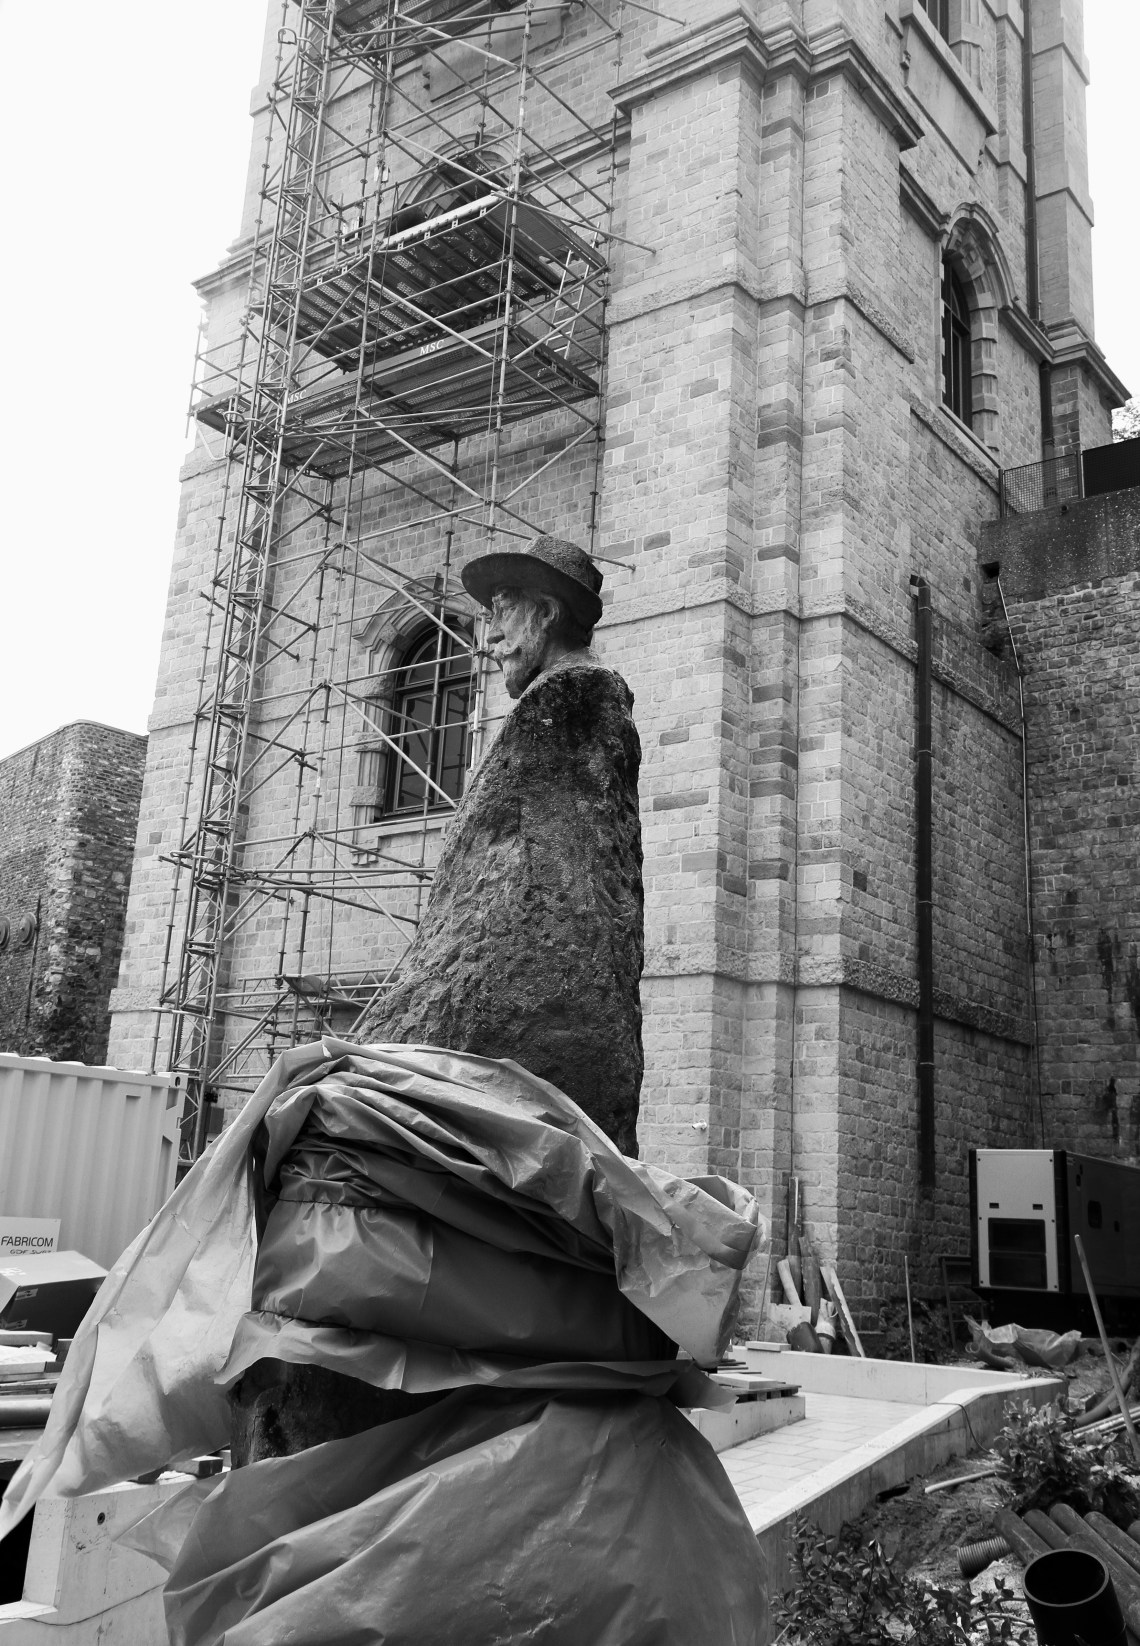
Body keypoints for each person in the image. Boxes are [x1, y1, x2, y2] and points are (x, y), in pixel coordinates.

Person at [359, 533, 644, 1155]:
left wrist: (439, 993)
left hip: (514, 1002)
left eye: (504, 611)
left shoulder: (573, 696)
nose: (489, 636)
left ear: (547, 613)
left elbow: (536, 882)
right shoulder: (560, 700)